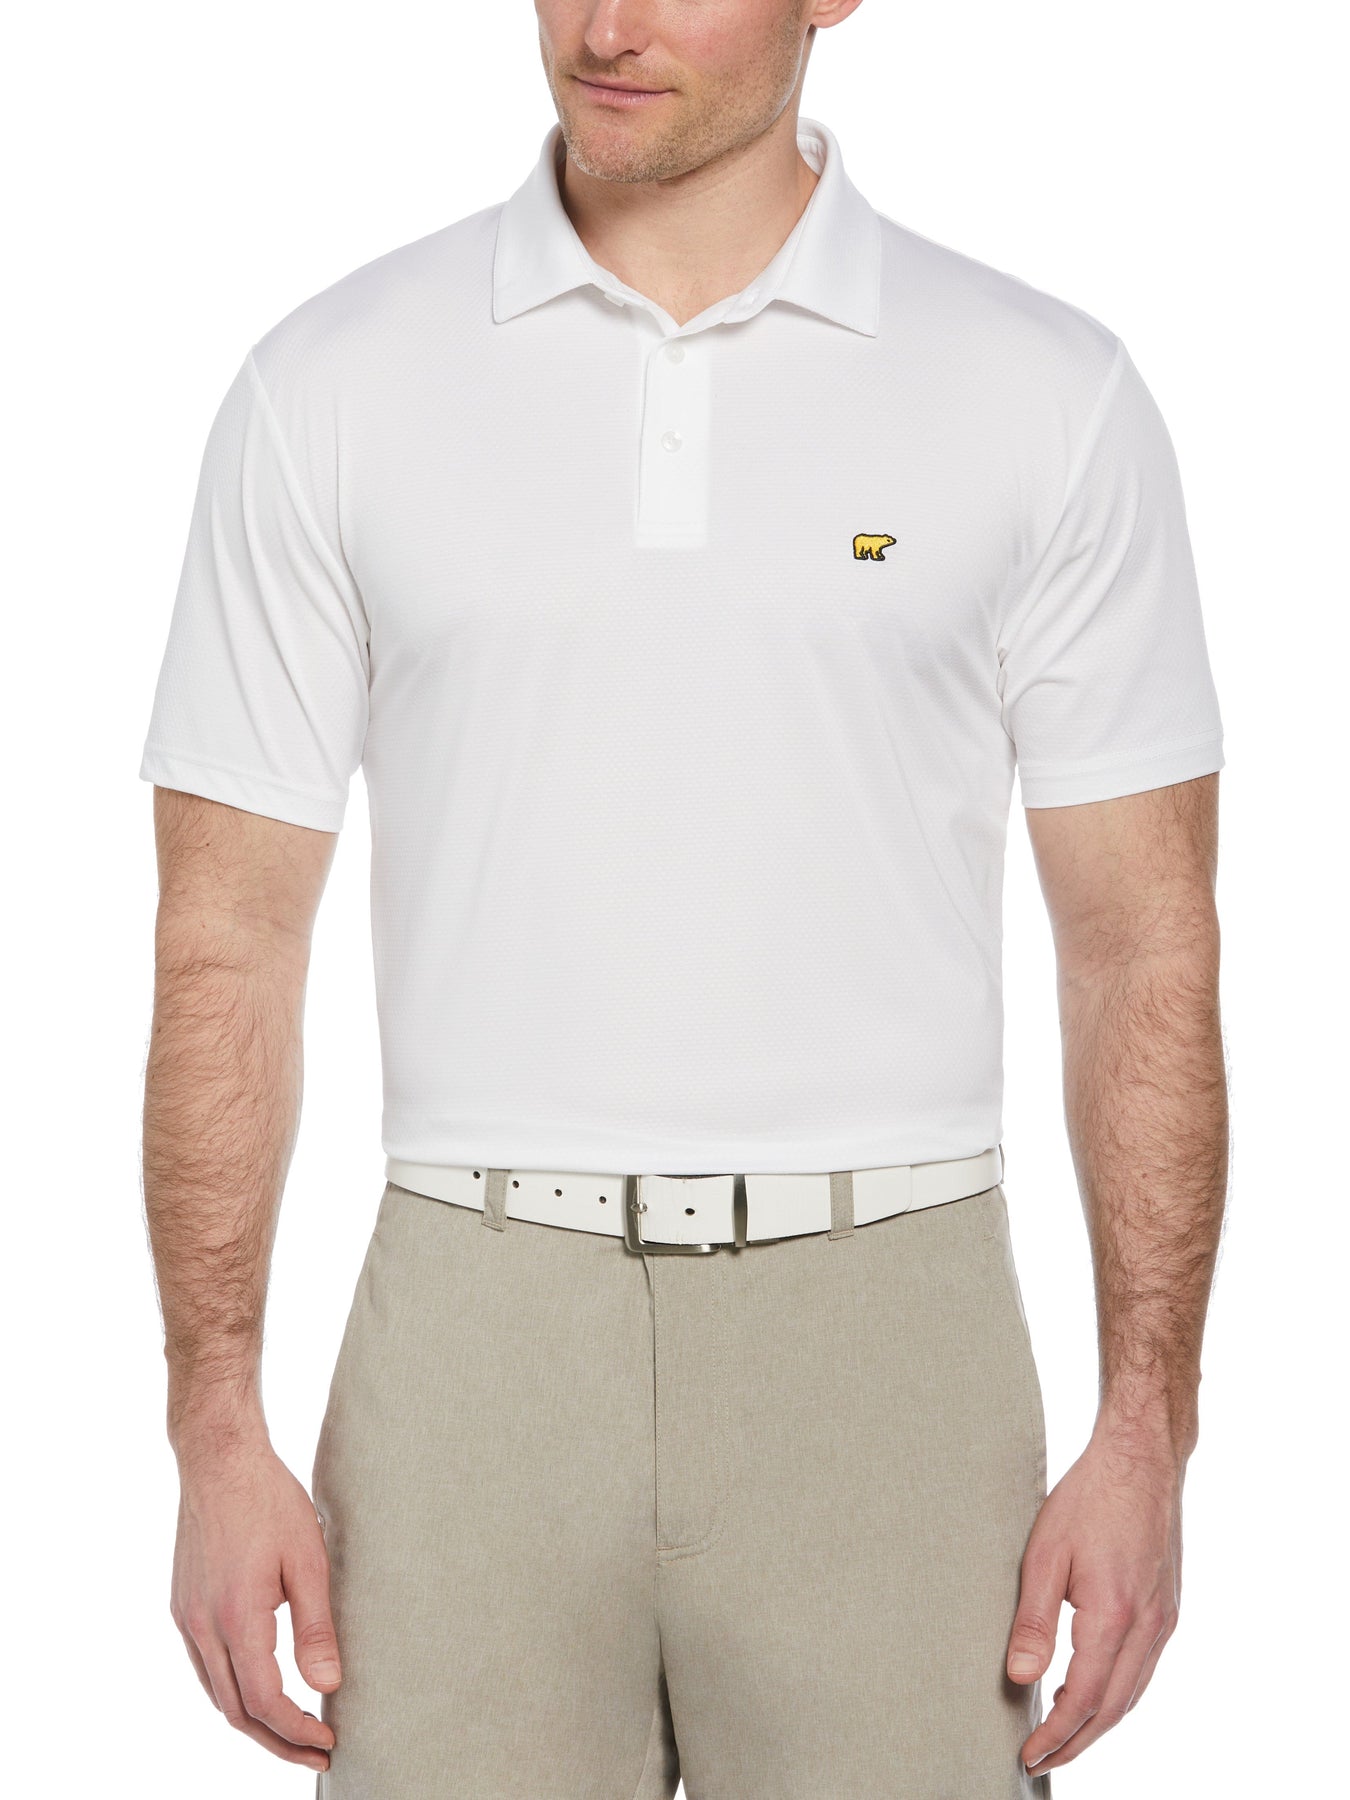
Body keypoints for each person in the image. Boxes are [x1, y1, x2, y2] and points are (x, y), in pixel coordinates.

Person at [138, 3, 1229, 1795]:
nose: (607, 23)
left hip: (889, 1341)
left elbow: (1142, 948)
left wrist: (1146, 1432)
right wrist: (210, 1424)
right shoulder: (330, 383)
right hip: (470, 1331)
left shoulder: (1040, 390)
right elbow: (225, 941)